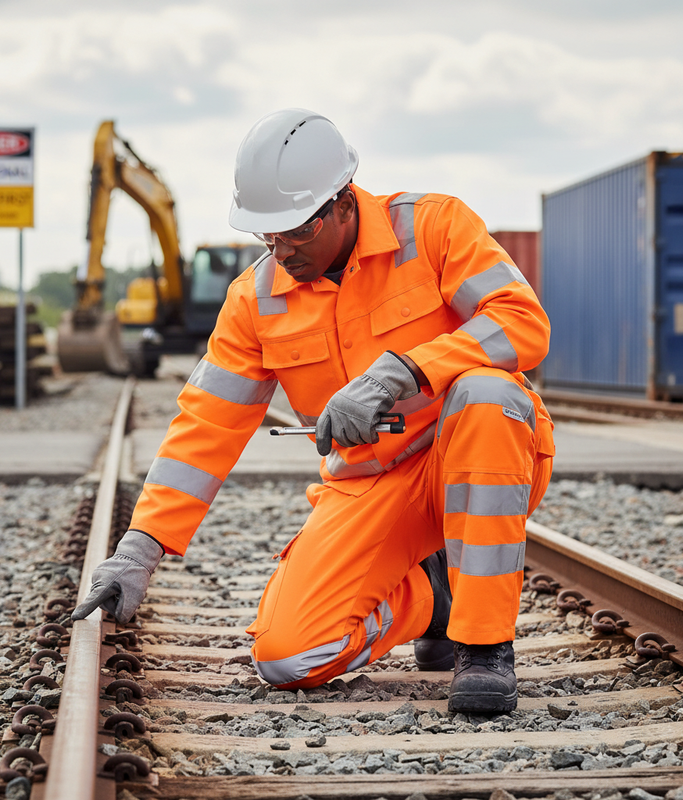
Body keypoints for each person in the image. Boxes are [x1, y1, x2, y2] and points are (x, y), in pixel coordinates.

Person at [73, 108, 555, 715]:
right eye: (267, 235)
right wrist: (140, 549)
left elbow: (522, 322)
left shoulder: (435, 229)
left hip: (478, 457)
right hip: (371, 484)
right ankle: (435, 598)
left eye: (296, 231)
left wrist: (403, 370)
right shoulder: (256, 299)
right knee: (288, 657)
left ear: (344, 203)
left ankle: (483, 647)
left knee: (491, 395)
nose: (282, 250)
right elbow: (205, 425)